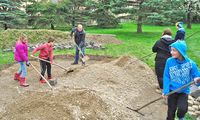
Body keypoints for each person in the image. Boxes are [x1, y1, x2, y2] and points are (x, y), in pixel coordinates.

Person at [162, 40, 200, 120]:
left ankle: (181, 117)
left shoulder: (190, 63)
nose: (171, 52)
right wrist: (165, 91)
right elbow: (166, 76)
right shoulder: (169, 61)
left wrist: (197, 79)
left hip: (183, 91)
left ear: (181, 51)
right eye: (171, 50)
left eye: (174, 50)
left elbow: (197, 76)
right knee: (170, 112)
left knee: (182, 109)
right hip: (172, 91)